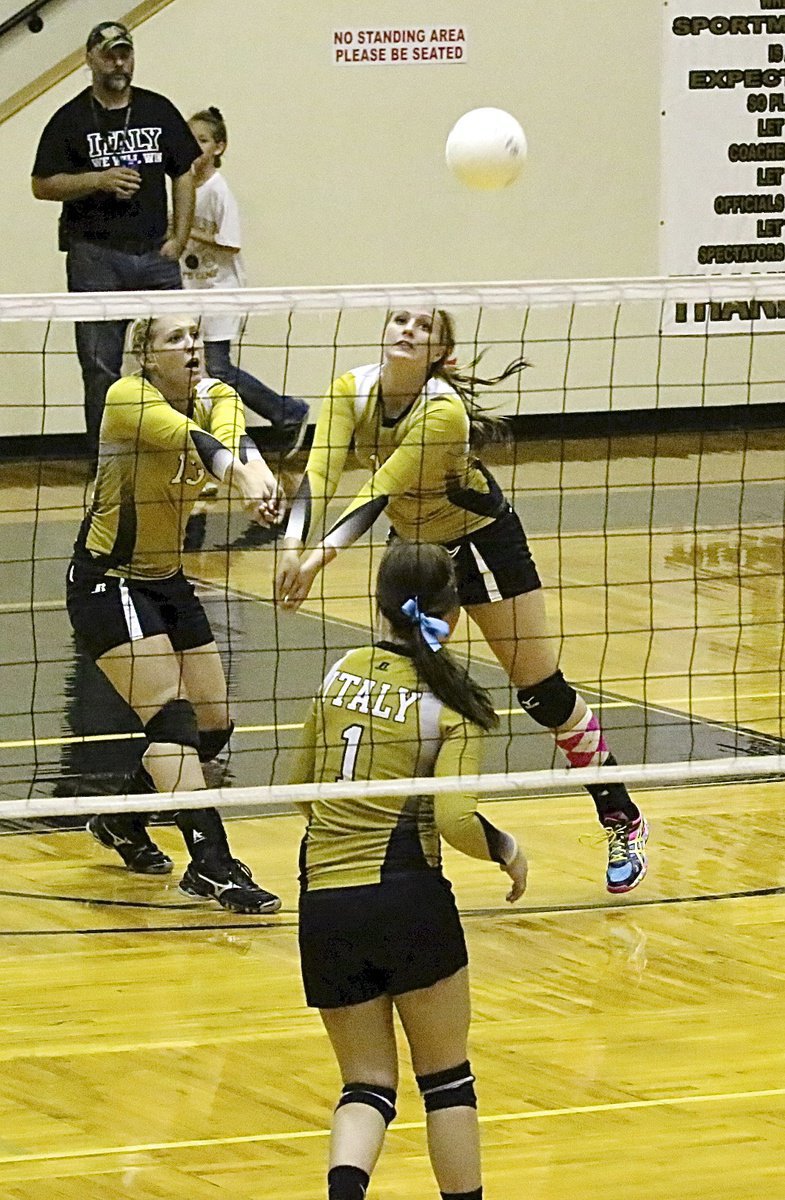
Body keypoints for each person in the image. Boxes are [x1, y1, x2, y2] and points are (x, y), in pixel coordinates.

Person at [275, 307, 649, 894]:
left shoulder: (442, 410)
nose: (407, 330)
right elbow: (319, 473)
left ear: (439, 355)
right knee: (407, 680)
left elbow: (377, 490)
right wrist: (291, 546)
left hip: (481, 546)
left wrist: (315, 563)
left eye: (423, 328)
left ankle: (620, 816)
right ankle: (418, 830)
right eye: (400, 319)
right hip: (418, 551)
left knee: (541, 690)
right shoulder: (351, 389)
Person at [290, 540, 528, 1200]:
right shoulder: (454, 703)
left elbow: (300, 787)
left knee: (365, 1084)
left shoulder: (339, 673)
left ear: (379, 604)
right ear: (452, 615)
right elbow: (457, 824)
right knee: (446, 1078)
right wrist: (507, 849)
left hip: (326, 904)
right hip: (408, 900)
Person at [66, 313, 284, 913]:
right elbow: (205, 447)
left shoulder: (217, 393)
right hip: (110, 584)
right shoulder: (128, 397)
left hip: (167, 579)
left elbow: (239, 443)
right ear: (146, 356)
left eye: (193, 335)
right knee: (172, 723)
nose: (191, 346)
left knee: (214, 725)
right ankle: (211, 863)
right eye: (174, 340)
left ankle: (119, 819)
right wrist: (241, 480)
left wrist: (262, 485)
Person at [31, 21, 201, 463]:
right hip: (95, 259)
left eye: (124, 53)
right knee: (101, 366)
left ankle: (180, 453)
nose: (118, 62)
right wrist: (98, 180)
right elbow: (42, 184)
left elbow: (183, 172)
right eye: (109, 55)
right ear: (89, 59)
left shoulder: (157, 110)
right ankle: (106, 459)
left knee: (178, 358)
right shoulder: (69, 119)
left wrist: (179, 238)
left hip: (155, 257)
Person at [181, 106, 309, 459]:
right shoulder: (181, 186)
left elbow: (231, 242)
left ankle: (287, 411)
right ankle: (203, 440)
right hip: (191, 290)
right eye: (189, 140)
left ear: (218, 147)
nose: (194, 147)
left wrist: (182, 231)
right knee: (191, 367)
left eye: (202, 140)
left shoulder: (219, 190)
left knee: (218, 367)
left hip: (220, 290)